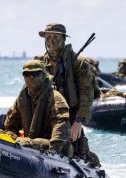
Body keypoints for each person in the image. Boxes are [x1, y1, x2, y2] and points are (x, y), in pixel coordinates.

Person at [34, 23, 95, 156]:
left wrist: (78, 121)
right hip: (45, 114)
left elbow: (87, 93)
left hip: (70, 115)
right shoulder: (39, 62)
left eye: (55, 36)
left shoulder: (78, 62)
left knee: (75, 151)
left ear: (63, 38)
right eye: (48, 37)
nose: (51, 40)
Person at [4, 60, 73, 157]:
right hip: (29, 144)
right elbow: (11, 126)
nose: (30, 77)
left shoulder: (55, 99)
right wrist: (10, 136)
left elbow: (60, 132)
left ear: (44, 76)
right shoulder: (22, 99)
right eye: (26, 74)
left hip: (52, 146)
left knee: (26, 143)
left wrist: (52, 155)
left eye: (35, 74)